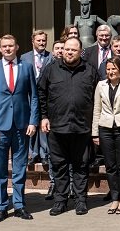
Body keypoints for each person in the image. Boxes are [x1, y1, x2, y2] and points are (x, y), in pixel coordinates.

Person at [0, 34, 39, 223]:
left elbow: (34, 97)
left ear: (17, 47)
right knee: (0, 169)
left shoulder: (27, 67)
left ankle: (19, 205)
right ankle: (2, 207)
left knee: (20, 167)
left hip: (21, 126)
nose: (7, 49)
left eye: (11, 46)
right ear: (0, 48)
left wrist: (32, 121)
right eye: (4, 46)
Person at [38, 37, 99, 216]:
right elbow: (41, 94)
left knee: (81, 166)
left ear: (80, 52)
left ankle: (80, 201)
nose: (69, 52)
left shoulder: (90, 71)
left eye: (73, 50)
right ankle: (60, 201)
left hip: (82, 128)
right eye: (66, 49)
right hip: (57, 128)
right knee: (59, 166)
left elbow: (97, 99)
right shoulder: (50, 70)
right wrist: (43, 117)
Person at [93, 56, 120, 214]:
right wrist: (95, 133)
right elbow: (97, 109)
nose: (111, 72)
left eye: (114, 69)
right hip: (105, 128)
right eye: (108, 69)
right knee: (110, 166)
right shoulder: (101, 85)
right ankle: (114, 198)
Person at [21, 30, 52, 167]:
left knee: (43, 126)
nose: (41, 43)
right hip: (29, 96)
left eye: (43, 40)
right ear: (32, 41)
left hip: (45, 96)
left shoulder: (51, 57)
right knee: (31, 124)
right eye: (38, 40)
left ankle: (44, 154)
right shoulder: (24, 57)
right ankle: (33, 154)